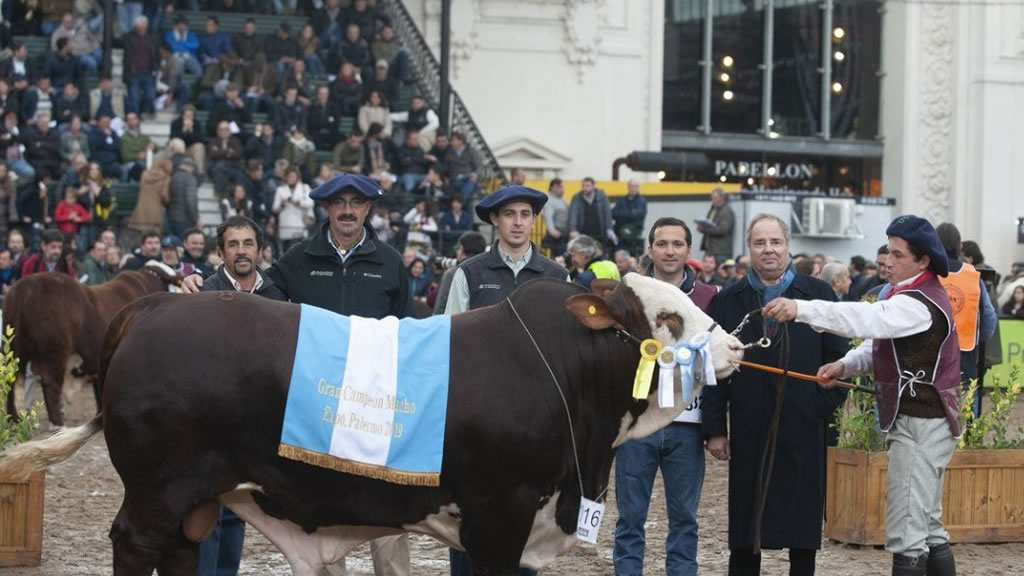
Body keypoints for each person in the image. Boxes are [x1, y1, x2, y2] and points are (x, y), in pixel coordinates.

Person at [181, 174, 414, 576]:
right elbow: (251, 285)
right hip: (318, 405)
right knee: (321, 509)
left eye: (355, 203)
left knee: (388, 512)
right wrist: (203, 281)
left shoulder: (391, 262)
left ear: (367, 208)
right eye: (338, 202)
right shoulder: (299, 260)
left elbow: (407, 331)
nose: (346, 210)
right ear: (325, 208)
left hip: (375, 404)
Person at [762, 215, 961, 576]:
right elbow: (877, 346)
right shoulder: (911, 295)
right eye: (888, 252)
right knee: (928, 526)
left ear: (923, 261)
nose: (888, 261)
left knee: (907, 531)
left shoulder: (917, 302)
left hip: (920, 423)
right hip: (923, 421)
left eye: (898, 255)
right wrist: (844, 365)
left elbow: (866, 320)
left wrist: (801, 309)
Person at [702, 213, 849, 576]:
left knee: (802, 525)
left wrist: (816, 406)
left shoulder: (818, 295)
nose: (768, 250)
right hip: (750, 425)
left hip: (803, 426)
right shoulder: (729, 300)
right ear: (748, 249)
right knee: (746, 525)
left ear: (788, 245)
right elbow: (713, 371)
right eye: (759, 243)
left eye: (775, 242)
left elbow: (839, 361)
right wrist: (716, 428)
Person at [443, 185, 568, 575]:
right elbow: (447, 341)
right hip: (475, 419)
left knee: (528, 509)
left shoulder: (556, 275)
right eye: (509, 214)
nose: (517, 222)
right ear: (494, 221)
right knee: (467, 510)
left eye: (525, 215)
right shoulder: (469, 273)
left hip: (536, 422)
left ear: (534, 221)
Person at [613, 217, 717, 576]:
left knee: (685, 519)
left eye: (677, 244)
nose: (669, 251)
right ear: (650, 249)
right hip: (638, 423)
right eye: (662, 244)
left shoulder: (709, 297)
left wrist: (717, 426)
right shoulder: (630, 295)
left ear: (689, 250)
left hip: (688, 423)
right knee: (629, 518)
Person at [195, 215, 285, 576]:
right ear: (221, 252)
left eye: (248, 243)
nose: (241, 251)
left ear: (260, 250)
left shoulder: (277, 295)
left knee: (238, 510)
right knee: (207, 511)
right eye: (233, 244)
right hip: (211, 418)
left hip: (256, 420)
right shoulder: (203, 293)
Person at [935, 222, 997, 417]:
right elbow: (988, 319)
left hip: (929, 359)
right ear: (959, 246)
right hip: (964, 358)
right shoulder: (973, 276)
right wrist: (977, 338)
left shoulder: (925, 271)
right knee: (964, 419)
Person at [432, 231, 486, 315]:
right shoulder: (490, 271)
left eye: (457, 247)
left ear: (461, 249)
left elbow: (440, 309)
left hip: (457, 325)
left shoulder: (453, 273)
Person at [568, 177, 615, 249]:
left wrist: (609, 228)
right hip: (583, 232)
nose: (585, 188)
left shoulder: (602, 196)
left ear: (593, 186)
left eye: (587, 186)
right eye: (583, 186)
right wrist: (573, 229)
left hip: (599, 232)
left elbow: (607, 213)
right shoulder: (577, 197)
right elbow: (573, 214)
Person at [611, 179, 647, 257]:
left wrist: (622, 214)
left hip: (634, 228)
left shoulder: (641, 201)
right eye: (631, 186)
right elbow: (613, 213)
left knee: (624, 234)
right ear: (628, 187)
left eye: (635, 186)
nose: (633, 188)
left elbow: (637, 216)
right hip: (618, 227)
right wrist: (629, 213)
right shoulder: (621, 200)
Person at [698, 187, 735, 263]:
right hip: (710, 250)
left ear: (722, 198)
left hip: (721, 252)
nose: (713, 200)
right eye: (712, 198)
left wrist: (704, 229)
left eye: (715, 198)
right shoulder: (713, 209)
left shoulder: (726, 212)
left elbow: (722, 230)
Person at [542, 178, 569, 258]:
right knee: (559, 259)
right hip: (557, 236)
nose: (562, 189)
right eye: (559, 187)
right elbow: (548, 216)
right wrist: (552, 230)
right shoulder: (549, 200)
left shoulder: (562, 200)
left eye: (562, 187)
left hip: (564, 235)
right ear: (552, 187)